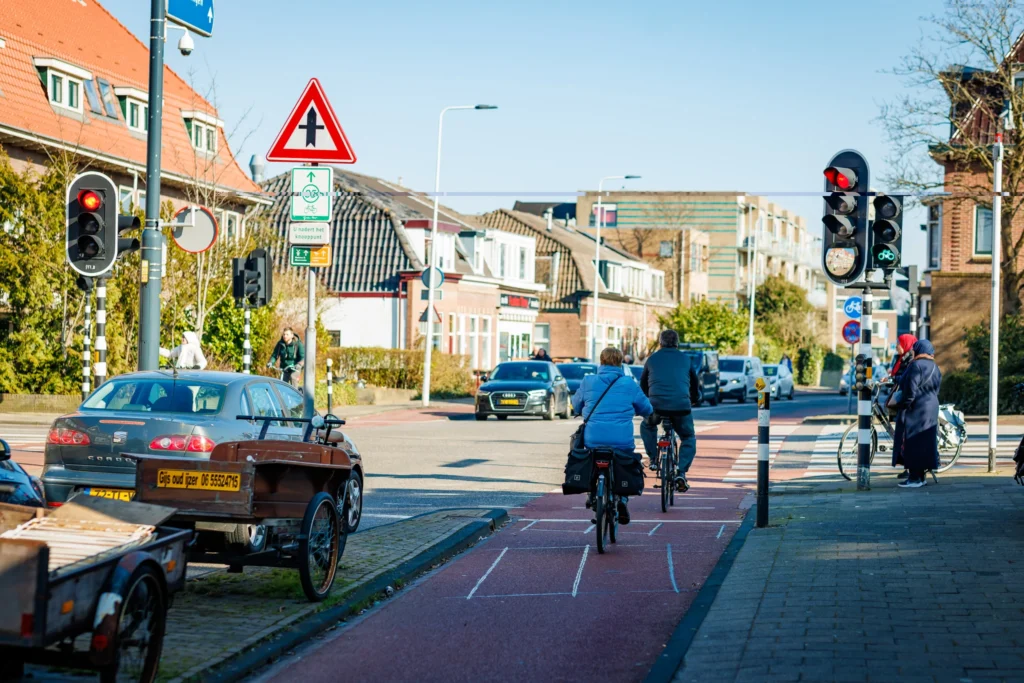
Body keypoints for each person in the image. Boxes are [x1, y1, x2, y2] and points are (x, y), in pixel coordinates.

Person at [571, 346, 652, 524]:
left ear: (601, 361)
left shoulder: (588, 381)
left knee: (591, 457)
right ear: (620, 362)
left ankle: (592, 494)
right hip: (621, 440)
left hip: (593, 439)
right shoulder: (629, 383)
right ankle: (622, 500)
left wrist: (579, 409)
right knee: (624, 459)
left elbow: (576, 404)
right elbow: (646, 408)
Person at [639, 330, 701, 492]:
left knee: (647, 426)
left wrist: (647, 399)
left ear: (660, 343)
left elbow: (643, 384)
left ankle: (653, 458)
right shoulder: (685, 359)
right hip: (681, 407)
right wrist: (695, 398)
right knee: (688, 437)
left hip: (655, 406)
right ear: (677, 343)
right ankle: (681, 472)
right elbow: (694, 384)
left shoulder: (651, 359)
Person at [893, 339, 941, 489]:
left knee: (912, 442)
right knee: (925, 442)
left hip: (917, 408)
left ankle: (914, 478)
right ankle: (921, 477)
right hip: (931, 407)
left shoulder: (915, 365)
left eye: (915, 349)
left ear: (919, 350)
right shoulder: (935, 366)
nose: (913, 352)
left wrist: (904, 405)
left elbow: (910, 390)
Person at [886, 333, 918, 479]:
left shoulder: (910, 359)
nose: (897, 346)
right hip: (901, 399)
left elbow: (906, 377)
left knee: (905, 434)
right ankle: (906, 465)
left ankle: (910, 467)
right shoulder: (901, 358)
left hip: (907, 401)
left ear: (906, 344)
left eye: (899, 343)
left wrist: (893, 378)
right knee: (901, 433)